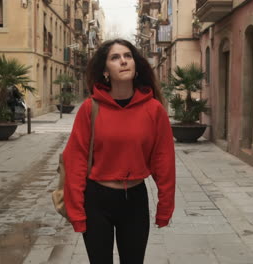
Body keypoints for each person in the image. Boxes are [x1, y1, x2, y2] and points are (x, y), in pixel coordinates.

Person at [62, 38, 176, 264]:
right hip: (96, 200)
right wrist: (76, 211)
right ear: (105, 71)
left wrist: (165, 206)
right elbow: (75, 160)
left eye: (127, 56)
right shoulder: (90, 108)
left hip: (135, 200)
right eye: (115, 57)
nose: (123, 61)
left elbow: (164, 160)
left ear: (135, 65)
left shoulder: (154, 109)